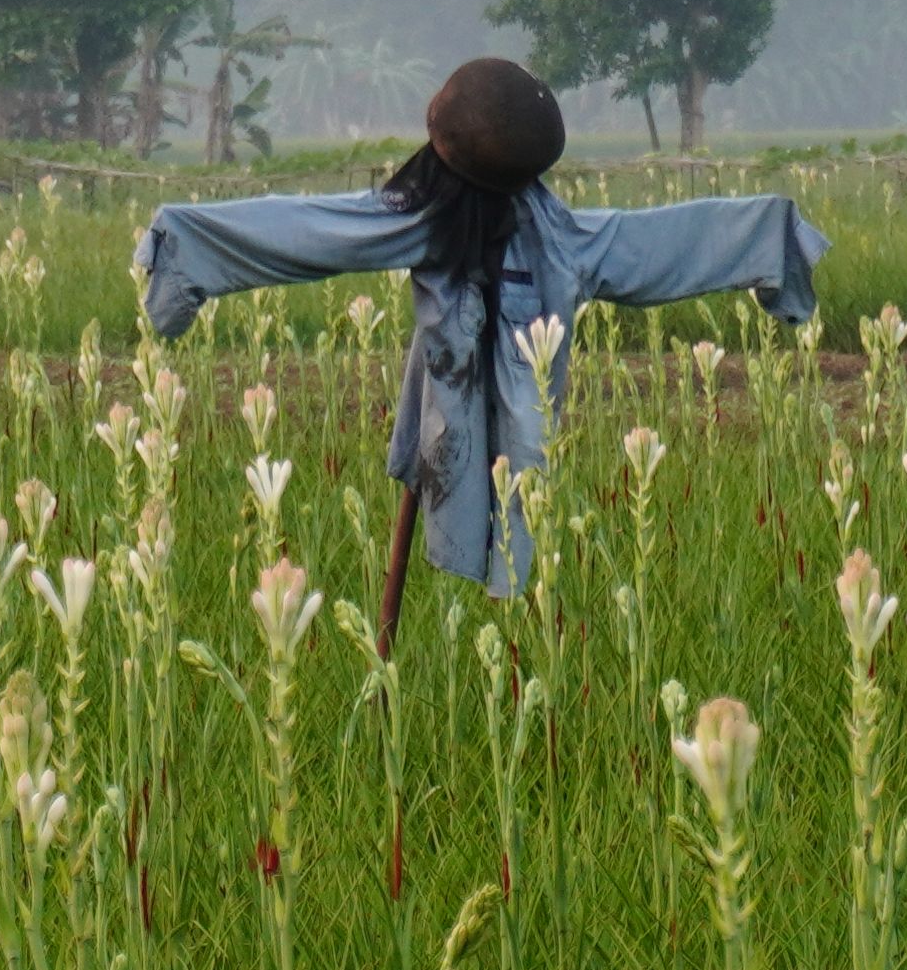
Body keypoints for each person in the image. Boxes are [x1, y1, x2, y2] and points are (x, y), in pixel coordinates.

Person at [136, 56, 827, 602]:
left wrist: (181, 247)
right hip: (527, 426)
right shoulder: (568, 241)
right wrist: (773, 240)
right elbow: (678, 241)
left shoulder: (420, 219)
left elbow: (305, 230)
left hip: (478, 413)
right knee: (526, 530)